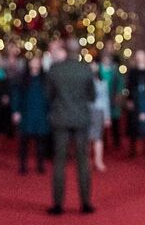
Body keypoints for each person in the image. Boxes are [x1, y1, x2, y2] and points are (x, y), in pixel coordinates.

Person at [45, 40, 96, 215]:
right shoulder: (86, 69)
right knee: (83, 162)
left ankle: (58, 204)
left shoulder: (55, 69)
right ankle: (85, 203)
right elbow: (92, 96)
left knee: (59, 162)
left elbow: (48, 95)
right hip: (81, 118)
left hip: (61, 118)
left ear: (65, 51)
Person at [11, 55, 51, 174]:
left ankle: (40, 165)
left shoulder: (45, 79)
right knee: (24, 142)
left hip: (41, 113)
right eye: (33, 61)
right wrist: (15, 111)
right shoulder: (22, 78)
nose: (35, 64)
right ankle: (23, 166)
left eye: (37, 61)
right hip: (26, 113)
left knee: (40, 142)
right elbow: (16, 95)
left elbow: (49, 97)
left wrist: (50, 111)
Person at [124, 49, 145, 156]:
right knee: (133, 124)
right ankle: (133, 148)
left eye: (142, 56)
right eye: (138, 56)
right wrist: (129, 99)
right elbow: (129, 86)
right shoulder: (133, 71)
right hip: (135, 99)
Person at [88, 63, 111, 174]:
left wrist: (107, 116)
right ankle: (86, 161)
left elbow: (106, 100)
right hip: (87, 111)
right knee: (87, 137)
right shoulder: (84, 83)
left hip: (99, 111)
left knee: (98, 137)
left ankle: (98, 161)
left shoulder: (103, 84)